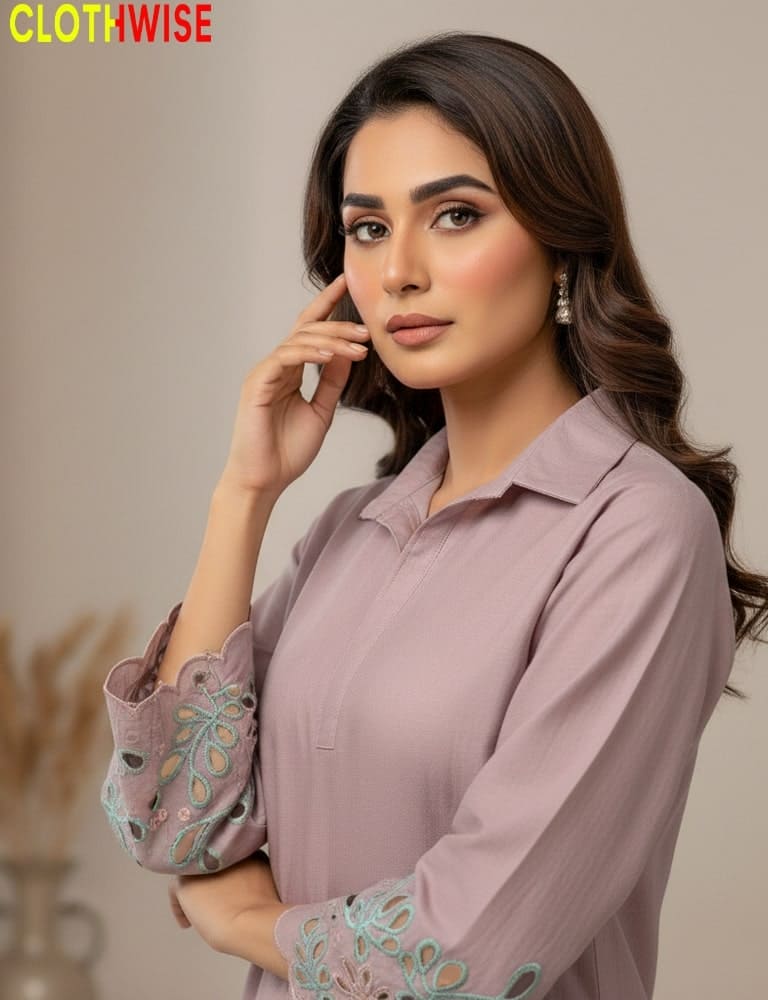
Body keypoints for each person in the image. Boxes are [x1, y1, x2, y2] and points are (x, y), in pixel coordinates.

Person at [99, 30, 766, 1000]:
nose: (400, 269)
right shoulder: (351, 528)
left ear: (561, 243)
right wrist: (243, 495)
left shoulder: (637, 531)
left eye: (455, 215)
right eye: (368, 228)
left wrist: (246, 920)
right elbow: (168, 816)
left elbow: (470, 945)